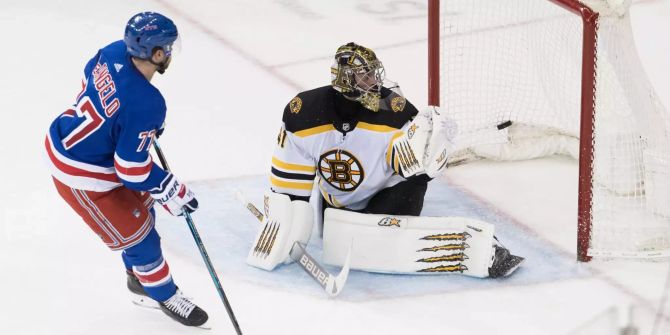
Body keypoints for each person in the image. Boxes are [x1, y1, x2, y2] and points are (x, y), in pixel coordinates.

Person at [246, 42, 523, 278]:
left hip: (390, 193)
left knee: (370, 245)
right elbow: (289, 188)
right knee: (334, 238)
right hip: (336, 200)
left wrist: (431, 156)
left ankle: (482, 250)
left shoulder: (396, 114)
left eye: (374, 75)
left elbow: (417, 174)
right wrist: (283, 227)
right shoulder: (303, 113)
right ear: (345, 80)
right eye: (365, 78)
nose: (375, 83)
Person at [44, 12, 207, 327]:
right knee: (142, 239)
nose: (171, 53)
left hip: (86, 149)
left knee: (145, 209)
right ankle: (163, 294)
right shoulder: (147, 103)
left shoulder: (113, 51)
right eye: (168, 48)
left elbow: (87, 78)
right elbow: (131, 171)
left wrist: (126, 126)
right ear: (156, 54)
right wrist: (171, 187)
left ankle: (138, 275)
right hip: (82, 175)